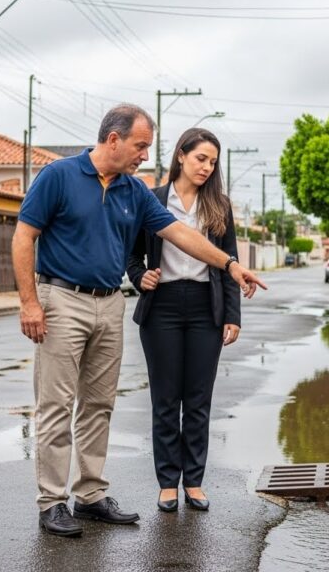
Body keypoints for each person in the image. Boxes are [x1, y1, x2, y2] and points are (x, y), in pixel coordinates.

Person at [12, 105, 265, 538]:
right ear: (114, 140)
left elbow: (181, 234)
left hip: (109, 304)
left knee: (98, 405)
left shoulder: (134, 191)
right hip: (62, 300)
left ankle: (89, 495)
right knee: (56, 406)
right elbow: (23, 236)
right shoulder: (59, 176)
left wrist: (229, 265)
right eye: (140, 145)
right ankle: (52, 502)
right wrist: (29, 303)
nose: (145, 155)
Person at [127, 128, 239, 513]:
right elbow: (131, 255)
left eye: (212, 162)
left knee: (197, 401)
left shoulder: (219, 206)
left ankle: (193, 481)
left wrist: (232, 316)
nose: (207, 167)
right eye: (200, 159)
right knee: (164, 399)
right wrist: (139, 276)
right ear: (181, 156)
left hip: (206, 307)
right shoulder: (152, 199)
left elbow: (230, 263)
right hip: (162, 307)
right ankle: (166, 484)